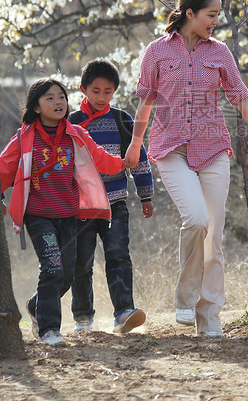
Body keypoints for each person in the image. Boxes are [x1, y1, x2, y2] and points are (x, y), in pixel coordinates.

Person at [124, 0, 248, 338]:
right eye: (211, 15)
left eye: (218, 15)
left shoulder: (220, 53)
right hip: (170, 148)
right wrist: (135, 144)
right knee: (196, 219)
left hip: (213, 148)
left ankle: (209, 319)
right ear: (190, 14)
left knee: (215, 237)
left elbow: (242, 99)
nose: (216, 21)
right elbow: (146, 101)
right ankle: (184, 298)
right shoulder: (157, 52)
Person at [0, 78, 124, 347]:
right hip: (38, 215)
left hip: (69, 215)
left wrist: (126, 162)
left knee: (67, 273)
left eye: (61, 97)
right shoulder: (24, 138)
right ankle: (49, 329)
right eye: (49, 98)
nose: (58, 102)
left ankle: (36, 306)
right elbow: (3, 169)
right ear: (35, 107)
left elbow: (101, 158)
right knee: (53, 269)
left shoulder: (76, 134)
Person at [68, 60, 154, 335]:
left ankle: (123, 312)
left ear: (114, 91)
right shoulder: (71, 122)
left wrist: (145, 195)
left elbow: (138, 158)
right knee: (82, 262)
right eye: (96, 91)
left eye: (108, 91)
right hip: (81, 205)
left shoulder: (122, 119)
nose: (101, 97)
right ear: (84, 89)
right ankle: (83, 317)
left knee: (118, 255)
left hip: (115, 202)